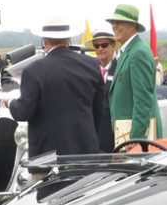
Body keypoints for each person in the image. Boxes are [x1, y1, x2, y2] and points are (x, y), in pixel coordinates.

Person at [6, 17, 103, 158]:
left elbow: (23, 112)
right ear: (68, 39)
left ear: (45, 41)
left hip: (47, 156)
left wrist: (10, 102)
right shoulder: (91, 64)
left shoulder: (34, 70)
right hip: (85, 151)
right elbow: (98, 110)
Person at [106, 4, 162, 142]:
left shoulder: (138, 53)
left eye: (119, 22)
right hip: (128, 135)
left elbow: (142, 100)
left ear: (133, 26)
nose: (114, 26)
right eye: (113, 22)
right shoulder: (130, 51)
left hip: (136, 139)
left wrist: (135, 137)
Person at [84, 28, 121, 152]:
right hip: (91, 138)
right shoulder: (88, 70)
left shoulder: (121, 70)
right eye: (96, 46)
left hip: (113, 138)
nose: (100, 49)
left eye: (104, 45)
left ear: (113, 46)